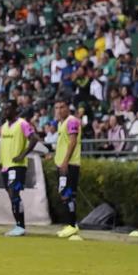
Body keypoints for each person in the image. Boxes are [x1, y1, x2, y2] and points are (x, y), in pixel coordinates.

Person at [0, 103, 39, 237]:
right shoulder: (4, 126)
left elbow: (34, 139)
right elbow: (3, 145)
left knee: (14, 193)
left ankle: (20, 226)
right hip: (5, 165)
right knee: (11, 195)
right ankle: (18, 225)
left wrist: (22, 155)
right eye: (4, 109)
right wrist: (0, 161)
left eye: (7, 109)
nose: (5, 111)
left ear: (15, 110)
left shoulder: (22, 123)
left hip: (17, 165)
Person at [52, 100, 82, 239]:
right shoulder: (60, 123)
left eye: (62, 107)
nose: (59, 110)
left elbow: (73, 141)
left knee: (68, 193)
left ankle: (72, 225)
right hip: (62, 164)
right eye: (57, 107)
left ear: (68, 108)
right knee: (64, 193)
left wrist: (65, 161)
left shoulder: (71, 121)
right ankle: (71, 224)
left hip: (69, 164)